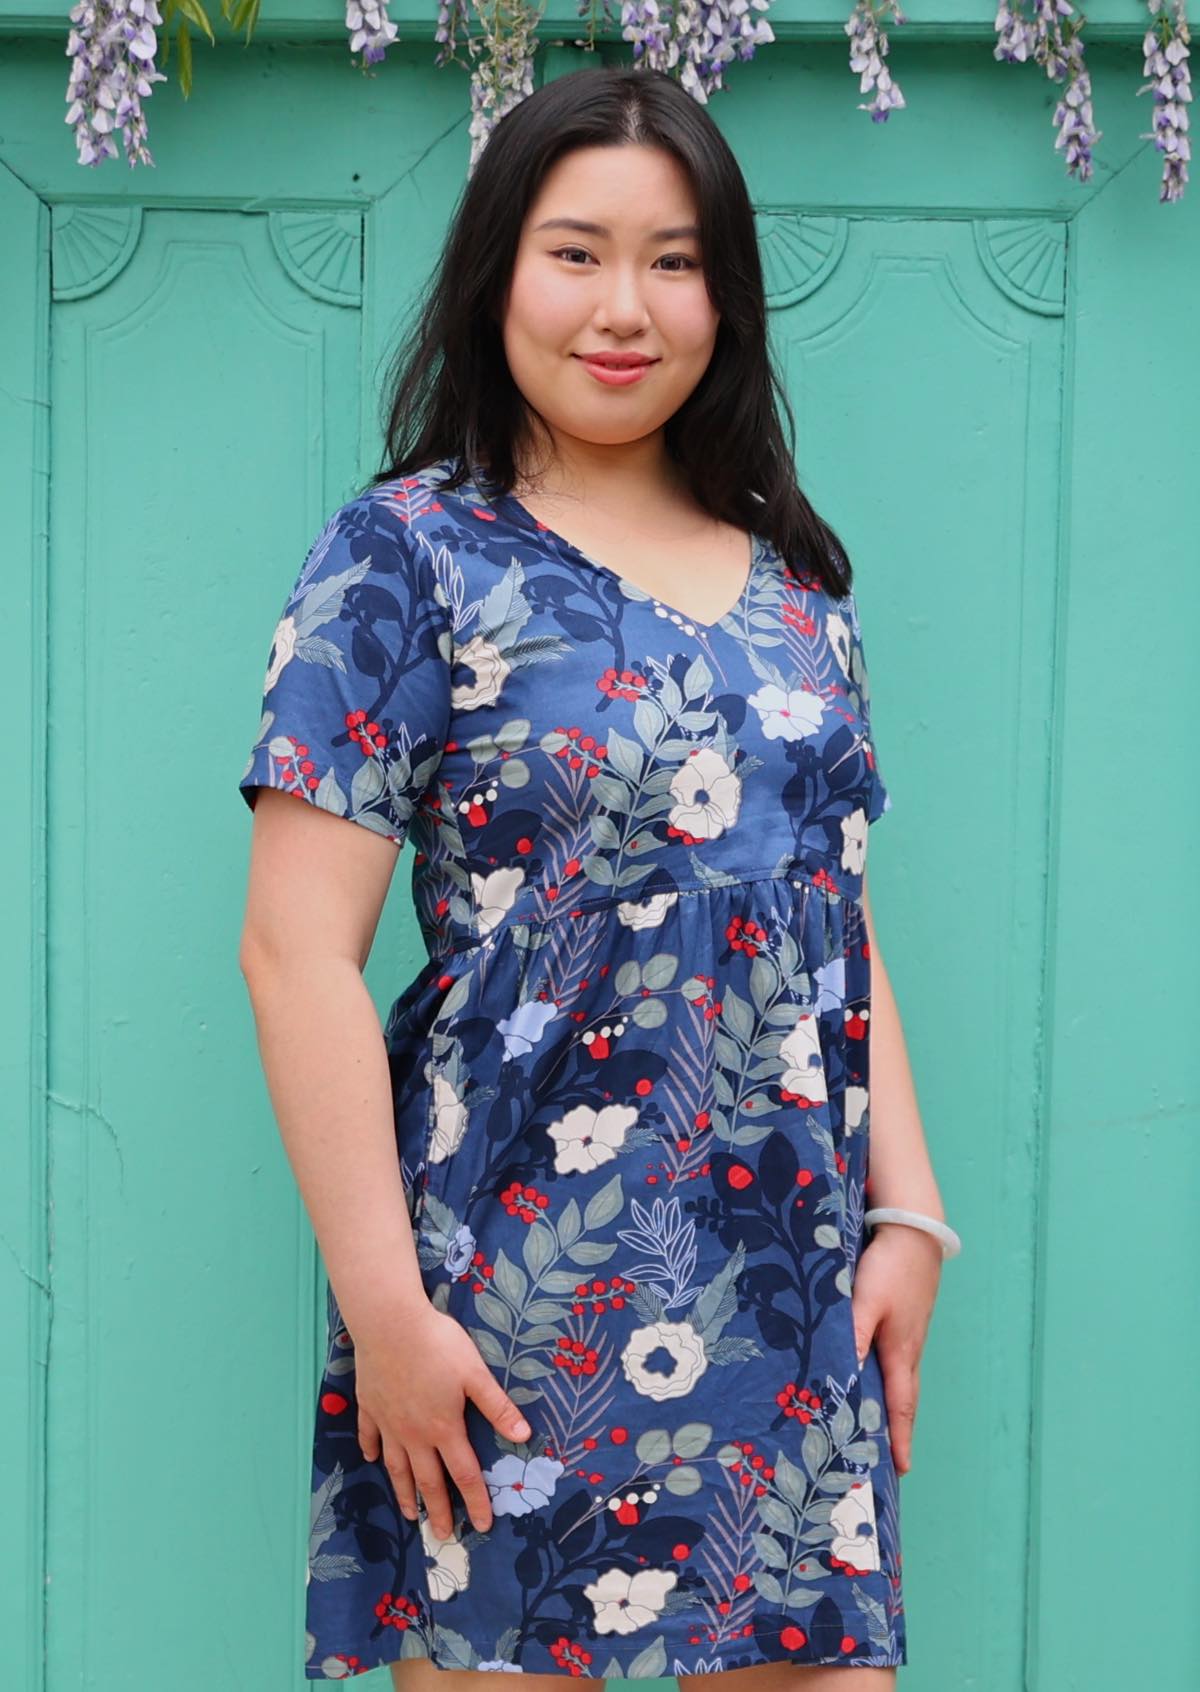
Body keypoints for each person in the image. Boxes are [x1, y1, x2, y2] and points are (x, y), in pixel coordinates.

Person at [236, 63, 959, 1691]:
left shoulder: (801, 588)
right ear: (499, 269)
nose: (624, 307)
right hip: (512, 1317)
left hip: (785, 1307)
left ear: (728, 295)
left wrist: (909, 1212)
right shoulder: (406, 555)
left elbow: (827, 912)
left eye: (677, 259)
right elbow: (293, 955)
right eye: (576, 252)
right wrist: (388, 1322)